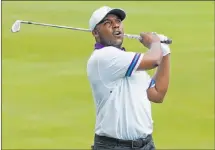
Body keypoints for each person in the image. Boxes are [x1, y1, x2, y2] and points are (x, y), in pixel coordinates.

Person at [87, 6, 171, 150]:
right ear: (95, 32)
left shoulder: (129, 61)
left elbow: (157, 94)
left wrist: (165, 52)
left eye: (118, 21)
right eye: (108, 23)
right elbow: (153, 60)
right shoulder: (102, 57)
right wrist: (155, 43)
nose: (116, 25)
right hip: (113, 146)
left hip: (146, 145)